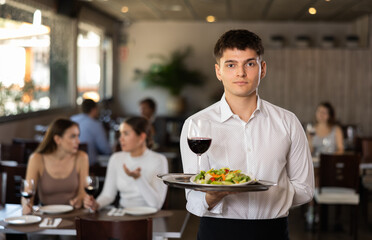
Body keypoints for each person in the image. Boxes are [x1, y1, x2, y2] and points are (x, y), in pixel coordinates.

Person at [180, 29, 314, 239]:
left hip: (273, 231)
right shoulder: (196, 124)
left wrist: (269, 198)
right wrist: (211, 197)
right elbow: (194, 201)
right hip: (217, 232)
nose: (240, 73)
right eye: (231, 65)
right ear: (218, 71)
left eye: (250, 64)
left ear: (262, 69)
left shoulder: (288, 122)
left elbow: (305, 189)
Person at [83, 116, 168, 211]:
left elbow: (156, 204)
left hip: (150, 218)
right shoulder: (116, 158)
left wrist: (138, 178)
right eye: (120, 134)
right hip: (123, 215)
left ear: (141, 137)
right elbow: (108, 195)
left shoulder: (159, 160)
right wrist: (96, 204)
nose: (120, 139)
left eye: (126, 134)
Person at [22, 118, 89, 214]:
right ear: (57, 139)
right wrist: (26, 207)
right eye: (73, 136)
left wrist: (80, 199)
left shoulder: (82, 157)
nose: (78, 141)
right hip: (45, 216)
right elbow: (27, 194)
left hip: (74, 214)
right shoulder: (36, 159)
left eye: (78, 136)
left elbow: (83, 192)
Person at [71, 98, 112, 166]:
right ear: (94, 109)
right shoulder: (95, 124)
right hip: (89, 164)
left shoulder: (72, 119)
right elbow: (105, 149)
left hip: (72, 162)